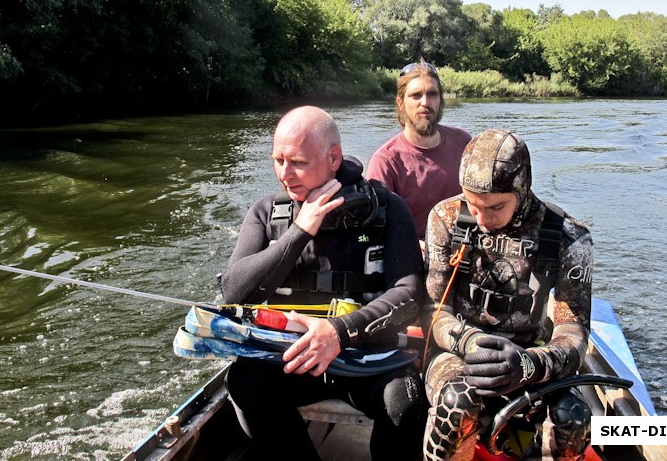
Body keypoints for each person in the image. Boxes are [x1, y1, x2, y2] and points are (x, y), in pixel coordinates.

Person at [221, 105, 426, 461]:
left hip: (366, 354)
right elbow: (233, 291)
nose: (285, 174)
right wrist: (300, 232)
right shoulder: (266, 213)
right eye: (278, 160)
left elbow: (409, 295)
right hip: (290, 358)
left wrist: (337, 333)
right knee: (243, 383)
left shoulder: (389, 209)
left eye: (297, 162)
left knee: (405, 403)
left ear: (334, 158)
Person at [421, 129, 593, 461]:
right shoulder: (446, 218)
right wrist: (471, 343)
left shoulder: (569, 237)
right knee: (458, 405)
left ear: (522, 189)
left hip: (531, 358)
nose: (483, 220)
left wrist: (530, 364)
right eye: (473, 205)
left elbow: (574, 332)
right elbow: (433, 309)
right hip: (458, 354)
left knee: (572, 418)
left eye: (496, 207)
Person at [366, 61, 472, 246]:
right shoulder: (385, 161)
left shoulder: (463, 142)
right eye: (416, 95)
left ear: (440, 100)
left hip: (465, 248)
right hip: (415, 254)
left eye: (432, 94)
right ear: (400, 103)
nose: (425, 102)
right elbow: (378, 230)